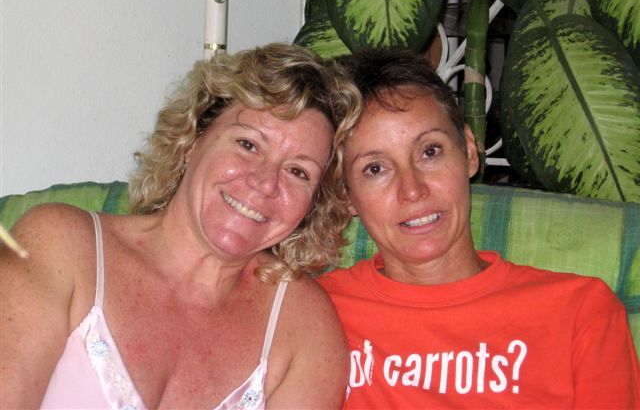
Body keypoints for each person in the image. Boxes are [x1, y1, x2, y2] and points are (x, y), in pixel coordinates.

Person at [1, 43, 360, 409]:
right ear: (192, 140)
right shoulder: (61, 246)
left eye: (298, 171)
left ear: (314, 204)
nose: (266, 183)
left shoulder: (302, 328)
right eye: (248, 145)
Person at [319, 47, 640, 409]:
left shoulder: (579, 312)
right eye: (375, 169)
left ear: (470, 151)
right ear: (345, 195)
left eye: (430, 151)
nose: (413, 190)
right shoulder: (315, 312)